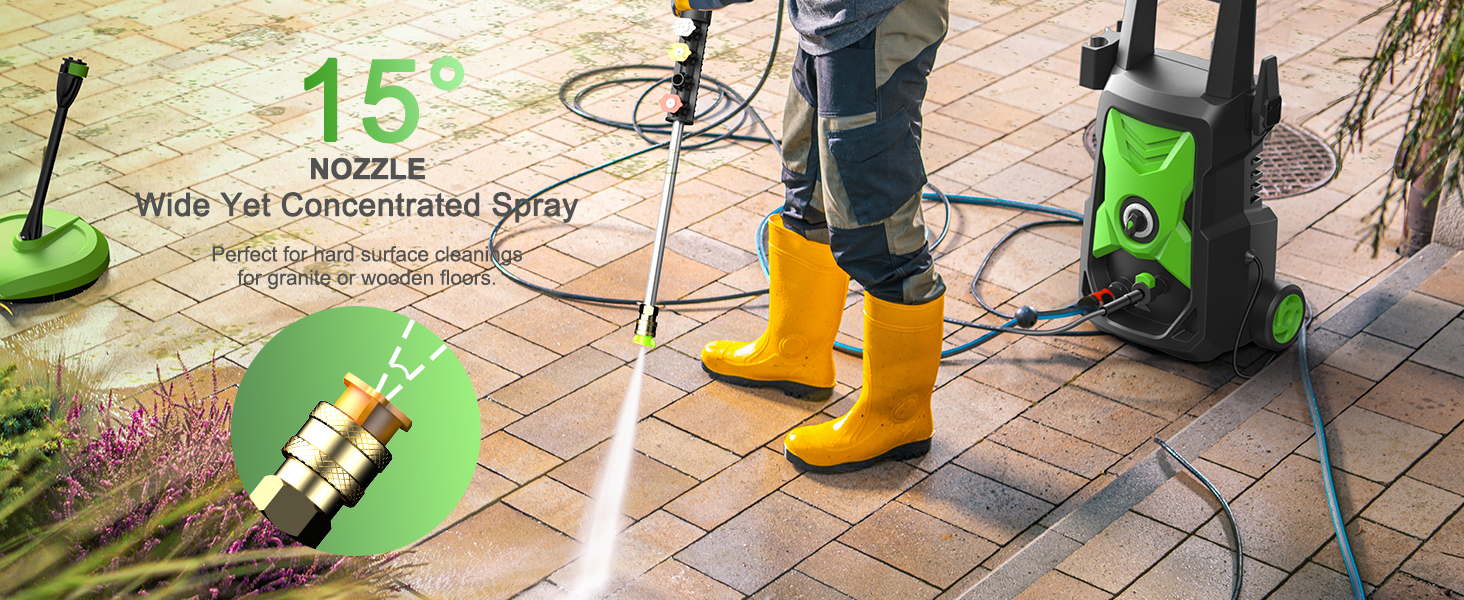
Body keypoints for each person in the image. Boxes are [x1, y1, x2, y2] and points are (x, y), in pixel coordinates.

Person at [676, 0, 950, 473]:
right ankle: (795, 353)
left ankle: (897, 416)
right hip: (827, 19)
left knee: (875, 223)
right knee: (809, 186)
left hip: (875, 19)